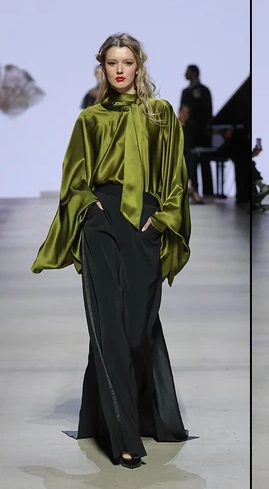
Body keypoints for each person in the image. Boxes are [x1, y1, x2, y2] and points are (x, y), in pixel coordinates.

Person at [31, 32, 191, 469]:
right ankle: (124, 437)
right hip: (101, 224)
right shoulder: (90, 119)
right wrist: (89, 206)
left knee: (138, 329)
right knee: (110, 328)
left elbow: (177, 177)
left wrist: (162, 220)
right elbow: (73, 182)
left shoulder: (160, 114)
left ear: (139, 65)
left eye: (127, 62)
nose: (120, 70)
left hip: (145, 224)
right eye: (112, 63)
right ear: (102, 67)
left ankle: (121, 415)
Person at [180, 64, 214, 195]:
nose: (185, 74)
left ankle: (208, 192)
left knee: (204, 161)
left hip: (201, 133)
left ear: (194, 73)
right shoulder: (185, 91)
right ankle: (192, 189)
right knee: (189, 160)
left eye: (187, 71)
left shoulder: (204, 91)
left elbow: (208, 112)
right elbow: (182, 109)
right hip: (188, 133)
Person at [178, 105, 204, 204]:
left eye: (187, 113)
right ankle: (191, 187)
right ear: (179, 112)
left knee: (192, 157)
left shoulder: (191, 126)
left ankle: (190, 184)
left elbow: (194, 141)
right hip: (176, 151)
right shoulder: (173, 124)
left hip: (187, 152)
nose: (185, 115)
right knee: (190, 157)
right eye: (183, 112)